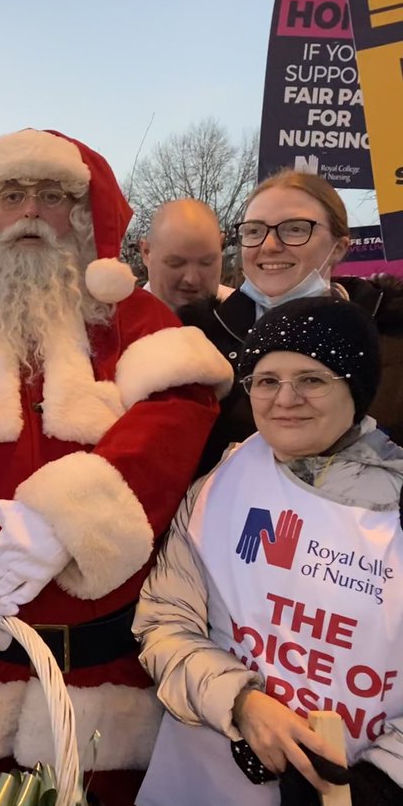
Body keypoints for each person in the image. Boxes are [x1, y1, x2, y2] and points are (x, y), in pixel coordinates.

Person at [0, 129, 232, 802]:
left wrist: (67, 521)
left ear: (81, 215)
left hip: (101, 677)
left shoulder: (131, 318)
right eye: (12, 195)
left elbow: (180, 409)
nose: (31, 212)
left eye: (53, 196)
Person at [136, 297, 403, 806]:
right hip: (204, 780)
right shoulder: (221, 482)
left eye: (312, 379)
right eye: (266, 380)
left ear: (357, 388)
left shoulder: (396, 503)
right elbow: (163, 622)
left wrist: (379, 783)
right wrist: (241, 702)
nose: (285, 398)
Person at [180, 169, 403, 475]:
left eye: (296, 229)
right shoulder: (199, 339)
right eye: (254, 230)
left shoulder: (392, 335)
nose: (269, 245)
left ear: (339, 247)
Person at [139, 197, 233, 309]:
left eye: (206, 263)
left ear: (220, 246)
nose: (192, 279)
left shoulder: (244, 319)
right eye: (176, 263)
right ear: (146, 252)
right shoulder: (118, 322)